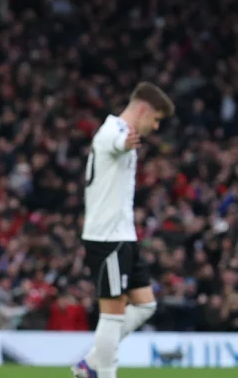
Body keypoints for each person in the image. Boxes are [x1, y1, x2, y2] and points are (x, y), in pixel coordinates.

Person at [73, 82, 175, 378]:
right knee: (113, 313)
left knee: (145, 306)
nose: (155, 126)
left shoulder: (117, 131)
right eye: (155, 119)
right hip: (107, 238)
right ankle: (103, 372)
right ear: (142, 108)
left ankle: (91, 362)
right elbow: (117, 143)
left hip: (123, 235)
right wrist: (125, 144)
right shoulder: (113, 132)